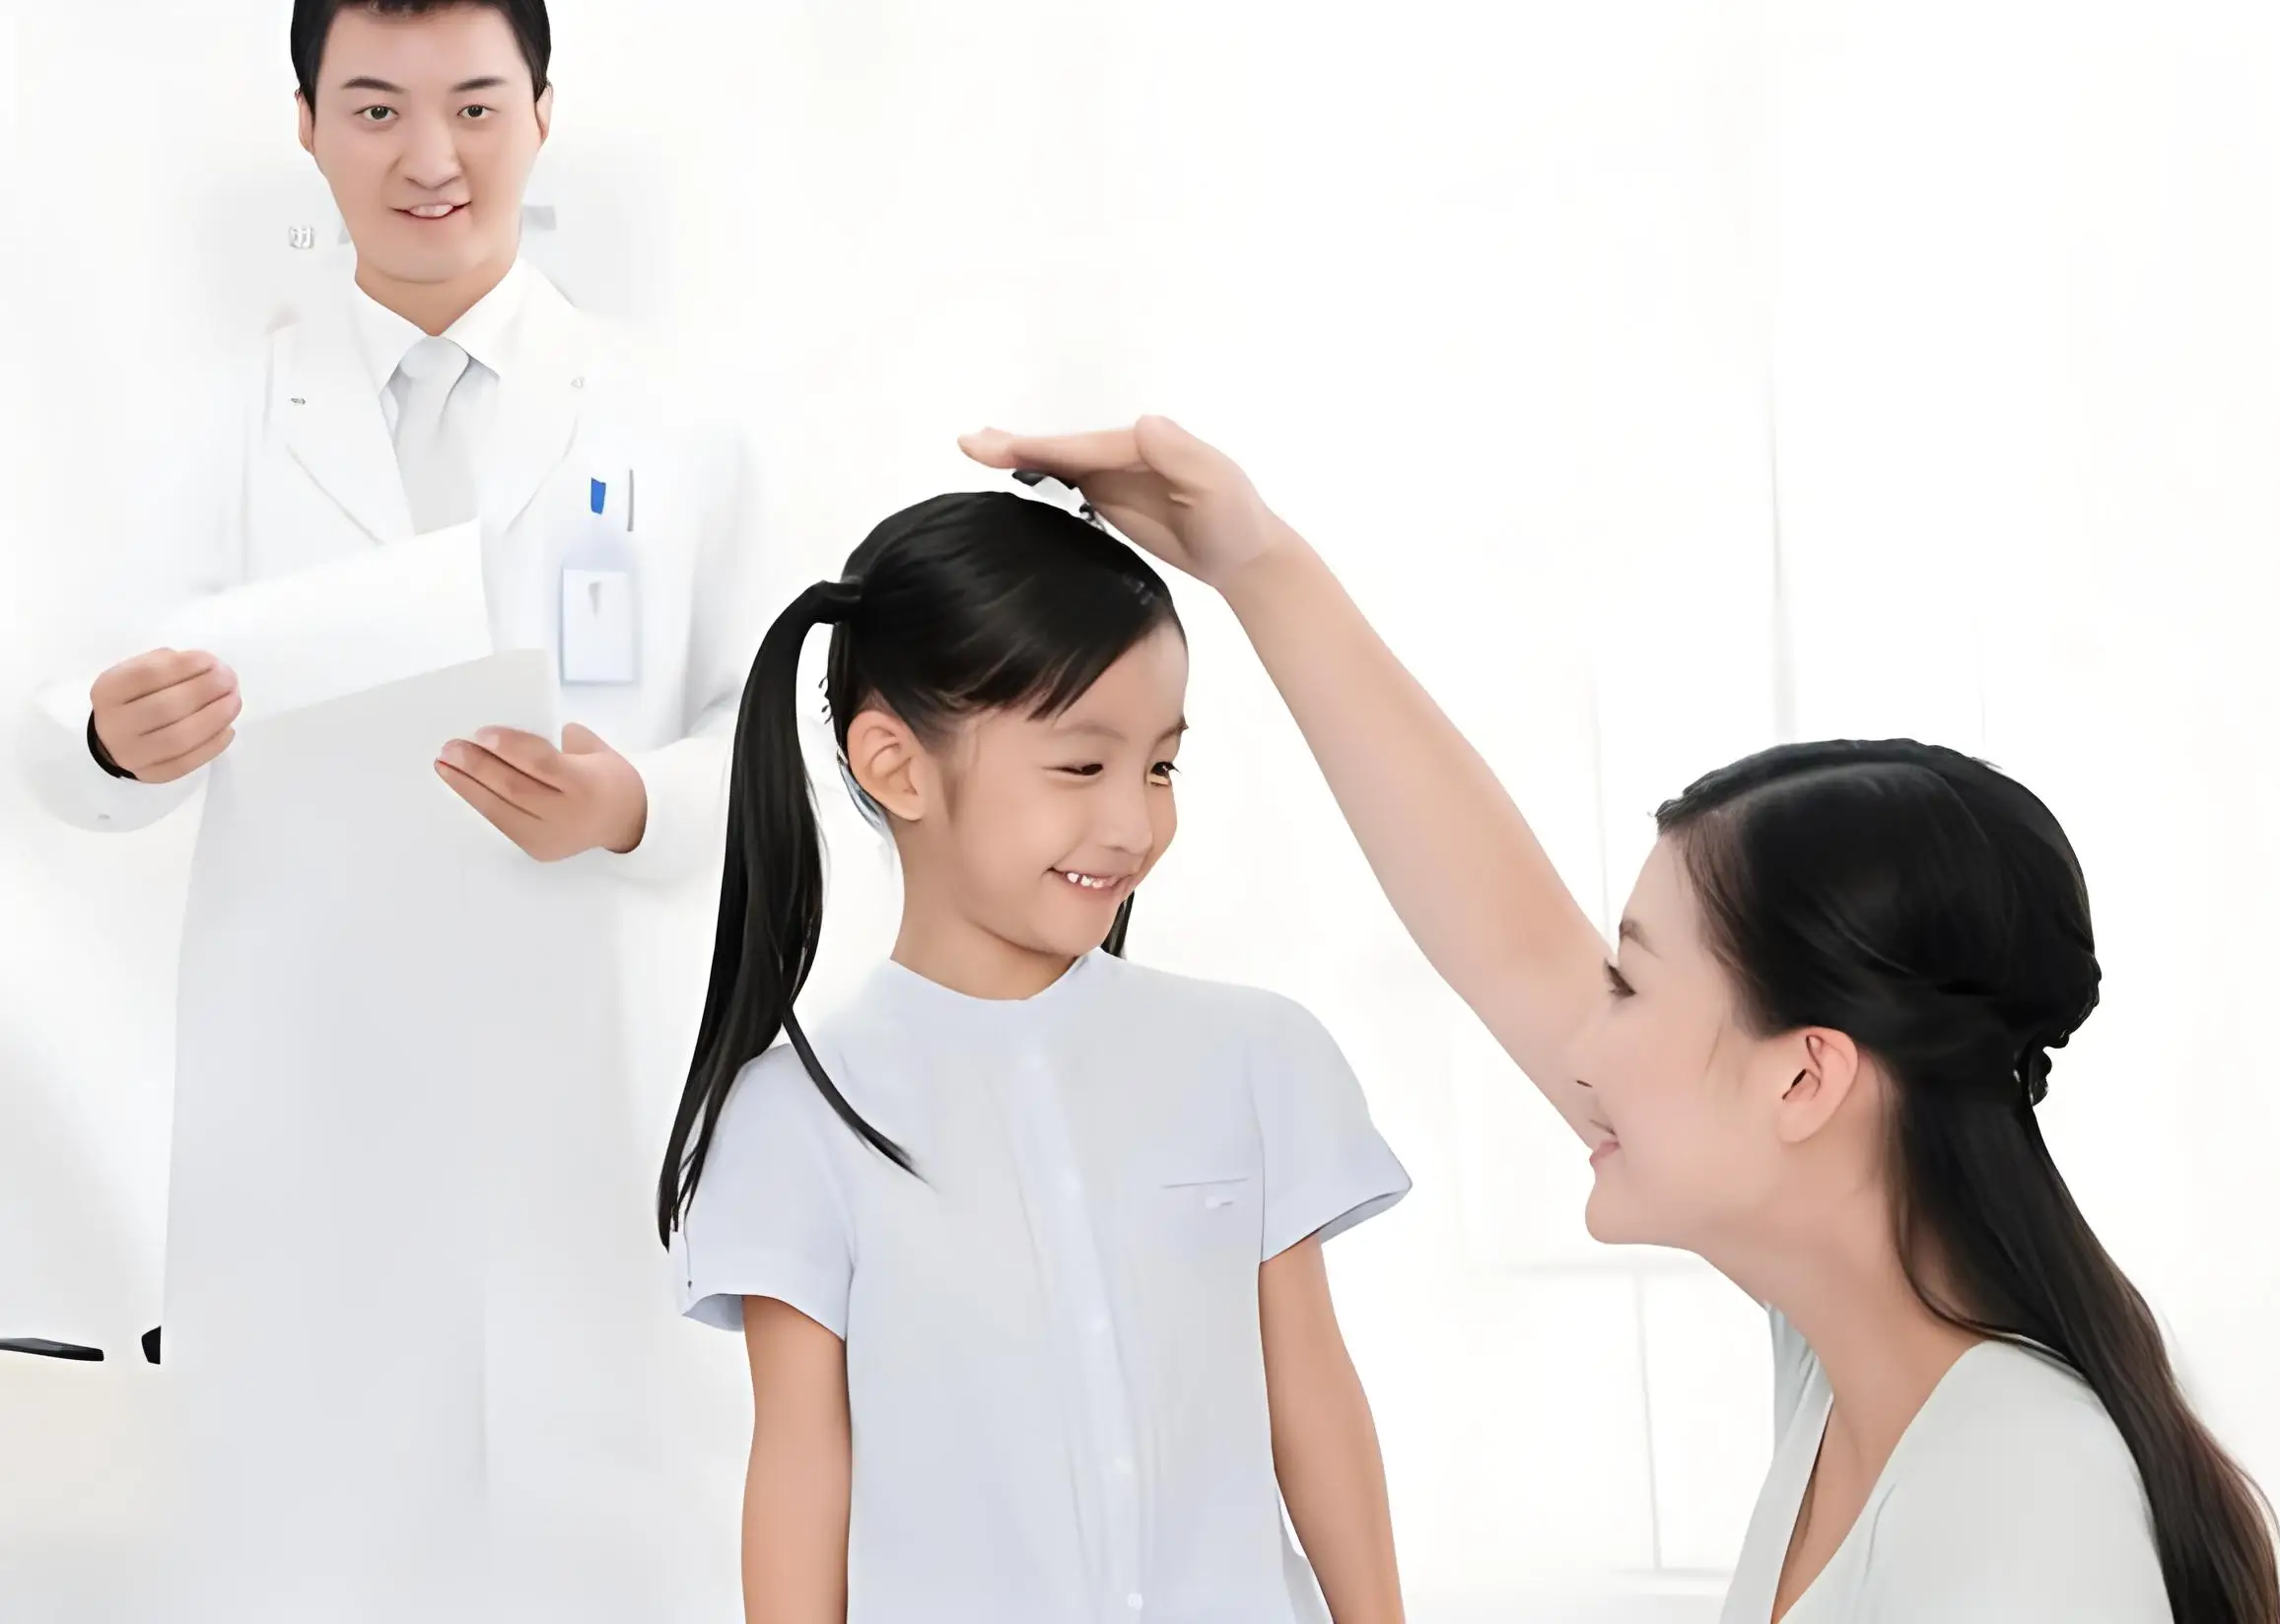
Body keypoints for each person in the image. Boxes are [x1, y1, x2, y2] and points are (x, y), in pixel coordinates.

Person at [958, 420, 2280, 1624]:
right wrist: (1255, 564)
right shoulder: (1860, 1372)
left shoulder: (2022, 1491)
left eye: (1632, 989)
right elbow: (1506, 938)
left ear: (1805, 1079)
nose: (1581, 1044)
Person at [14, 3, 766, 1617]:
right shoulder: (207, 426)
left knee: (605, 1548)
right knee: (321, 1555)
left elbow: (796, 747)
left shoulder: (678, 424)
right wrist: (109, 742)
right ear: (305, 125)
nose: (432, 159)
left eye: (476, 106)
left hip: (595, 1097)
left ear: (545, 112)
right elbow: (52, 723)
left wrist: (632, 803)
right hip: (311, 1112)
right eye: (375, 110)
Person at [657, 486, 1412, 1624]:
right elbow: (803, 1472)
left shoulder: (1253, 1057)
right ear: (896, 765)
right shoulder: (796, 1115)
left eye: (1160, 767)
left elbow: (1312, 1402)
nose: (1135, 825)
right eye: (1081, 768)